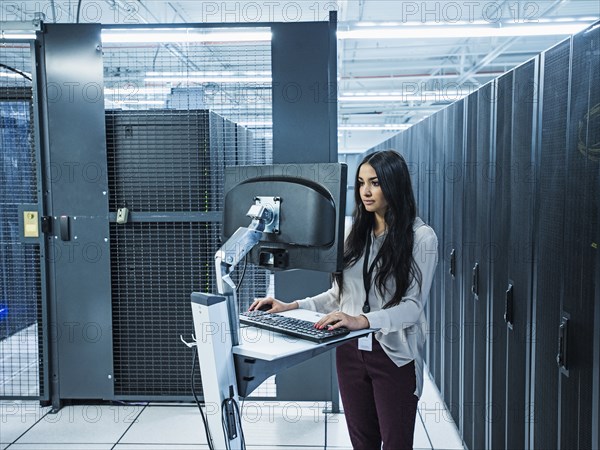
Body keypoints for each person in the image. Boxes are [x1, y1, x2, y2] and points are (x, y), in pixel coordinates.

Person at [249, 150, 438, 449]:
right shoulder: (353, 231)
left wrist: (362, 320)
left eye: (374, 182)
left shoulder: (421, 237)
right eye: (361, 182)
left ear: (394, 183)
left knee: (396, 443)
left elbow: (412, 308)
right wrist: (291, 306)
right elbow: (339, 296)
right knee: (362, 443)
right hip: (349, 350)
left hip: (394, 354)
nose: (365, 191)